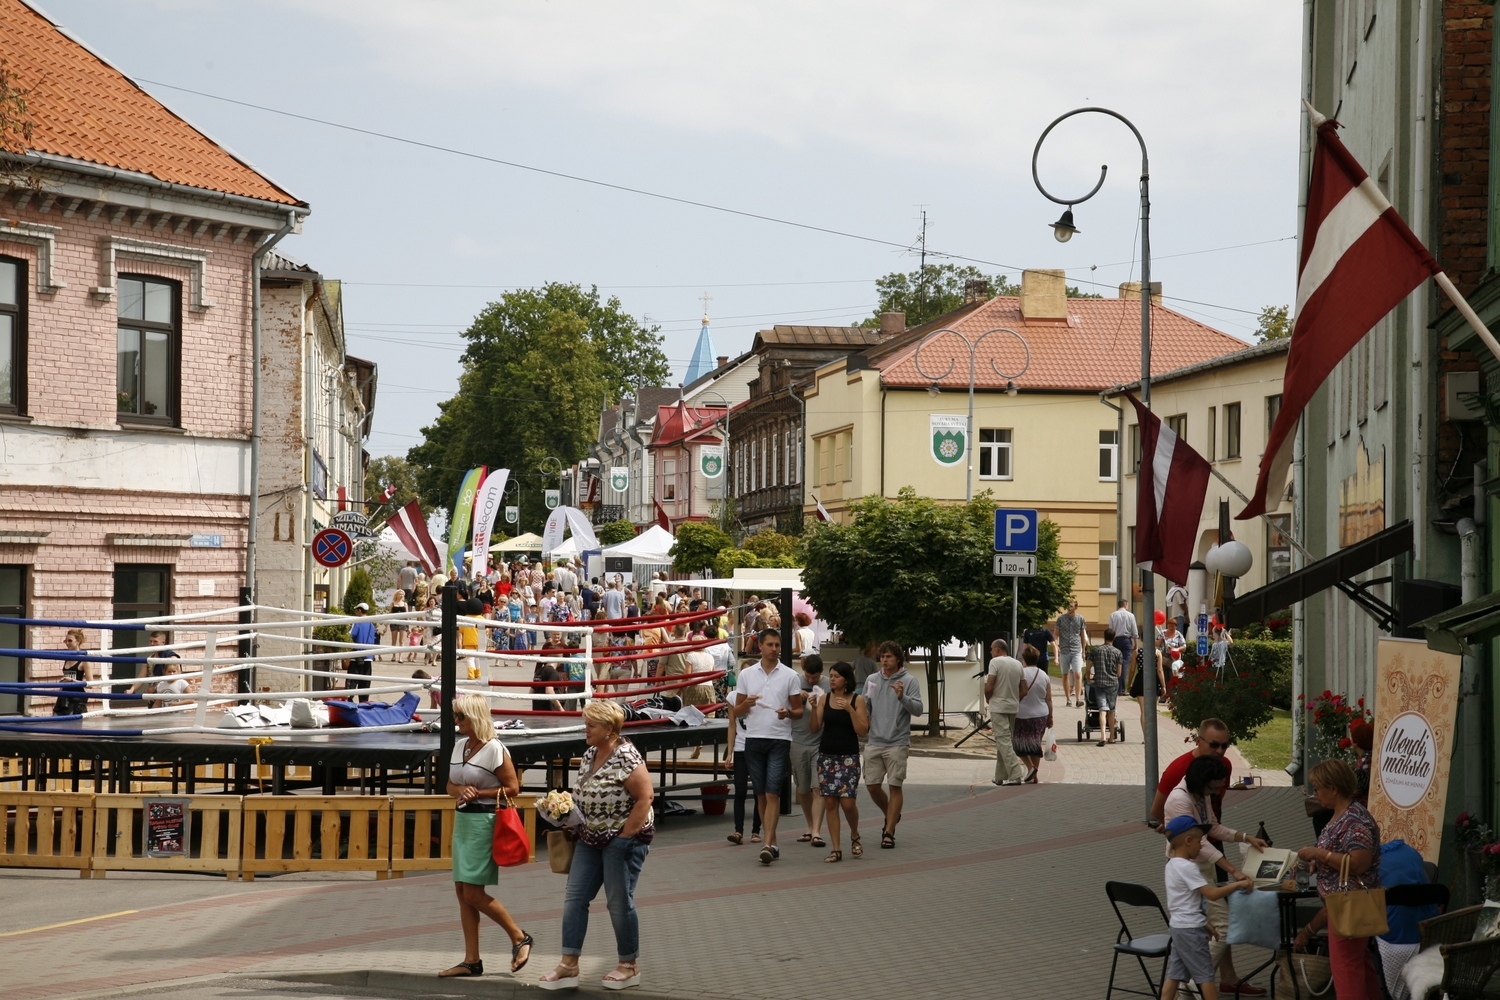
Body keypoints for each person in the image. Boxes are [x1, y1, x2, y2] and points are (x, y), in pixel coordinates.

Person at [538, 700, 654, 991]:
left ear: (609, 729)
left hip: (622, 839)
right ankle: (569, 964)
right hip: (590, 838)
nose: (585, 729)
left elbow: (646, 798)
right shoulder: (590, 753)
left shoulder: (626, 755)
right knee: (575, 899)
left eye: (591, 724)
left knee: (618, 902)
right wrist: (564, 814)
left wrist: (625, 837)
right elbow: (584, 796)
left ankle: (629, 965)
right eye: (585, 723)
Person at [440, 693, 533, 979]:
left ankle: (519, 937)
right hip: (464, 821)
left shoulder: (495, 748)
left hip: (484, 821)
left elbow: (513, 788)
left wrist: (478, 792)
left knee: (473, 893)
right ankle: (472, 960)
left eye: (460, 716)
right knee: (462, 892)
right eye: (455, 716)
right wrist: (461, 791)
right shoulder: (459, 746)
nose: (456, 721)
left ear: (474, 717)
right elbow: (450, 785)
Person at [1162, 755, 1267, 995]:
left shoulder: (1201, 795)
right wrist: (1235, 873)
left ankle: (1196, 982)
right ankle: (1194, 985)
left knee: (1181, 967)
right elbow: (1202, 842)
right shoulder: (1180, 800)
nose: (1216, 791)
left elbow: (1212, 827)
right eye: (1214, 787)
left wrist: (1245, 836)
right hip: (1195, 871)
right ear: (1201, 782)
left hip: (1187, 905)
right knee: (1224, 929)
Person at [1293, 759, 1382, 1000]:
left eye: (1318, 788)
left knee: (1346, 969)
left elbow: (1359, 863)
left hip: (1348, 904)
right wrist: (1315, 863)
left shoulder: (1354, 820)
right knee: (1359, 965)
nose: (1315, 793)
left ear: (1333, 789)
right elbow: (1338, 857)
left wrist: (1319, 854)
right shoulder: (1341, 816)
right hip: (1342, 904)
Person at [1160, 815, 1256, 1000]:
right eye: (1199, 842)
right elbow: (1211, 894)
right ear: (1188, 841)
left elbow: (1183, 903)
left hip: (1178, 928)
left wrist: (1204, 922)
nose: (1201, 846)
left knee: (1174, 975)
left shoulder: (1171, 865)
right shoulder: (1188, 867)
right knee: (1206, 977)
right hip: (1191, 930)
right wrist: (1237, 885)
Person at [730, 629, 803, 864]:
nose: (774, 649)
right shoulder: (747, 675)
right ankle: (771, 842)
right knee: (760, 793)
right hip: (753, 739)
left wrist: (788, 713)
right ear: (759, 646)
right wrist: (746, 704)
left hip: (779, 739)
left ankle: (768, 842)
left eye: (777, 644)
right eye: (770, 644)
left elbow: (799, 711)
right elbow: (736, 711)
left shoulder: (791, 675)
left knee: (773, 792)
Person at [863, 640, 922, 849]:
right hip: (874, 741)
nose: (884, 661)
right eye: (882, 656)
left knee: (895, 786)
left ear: (898, 658)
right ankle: (892, 814)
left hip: (897, 741)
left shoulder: (909, 680)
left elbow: (918, 709)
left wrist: (902, 697)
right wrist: (864, 720)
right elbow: (866, 705)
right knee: (871, 785)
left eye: (889, 657)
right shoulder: (872, 680)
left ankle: (888, 832)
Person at [807, 660, 868, 862]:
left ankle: (854, 834)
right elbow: (815, 728)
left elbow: (862, 730)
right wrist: (815, 708)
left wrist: (850, 710)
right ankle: (836, 848)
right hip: (826, 757)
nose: (832, 679)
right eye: (831, 676)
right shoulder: (825, 698)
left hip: (848, 757)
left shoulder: (857, 700)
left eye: (836, 676)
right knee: (831, 803)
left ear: (846, 679)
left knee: (848, 803)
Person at [1151, 719, 1235, 828]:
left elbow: (1216, 800)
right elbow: (1157, 810)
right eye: (1214, 745)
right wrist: (1174, 829)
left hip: (1214, 834)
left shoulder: (1225, 765)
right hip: (1189, 841)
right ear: (1198, 741)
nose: (1220, 751)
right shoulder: (1177, 770)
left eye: (1224, 745)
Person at [787, 655, 829, 848]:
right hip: (797, 740)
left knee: (817, 787)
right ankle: (810, 826)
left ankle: (817, 832)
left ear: (821, 672)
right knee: (802, 788)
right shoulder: (794, 681)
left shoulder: (828, 685)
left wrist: (820, 702)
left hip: (820, 742)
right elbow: (786, 707)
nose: (811, 680)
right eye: (808, 677)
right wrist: (800, 698)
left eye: (815, 677)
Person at [724, 672, 763, 847]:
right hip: (740, 747)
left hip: (757, 747)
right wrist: (729, 752)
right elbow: (732, 724)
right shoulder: (733, 697)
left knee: (758, 790)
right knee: (739, 790)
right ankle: (738, 830)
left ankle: (756, 830)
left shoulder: (761, 695)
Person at [982, 638, 1026, 785]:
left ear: (998, 649)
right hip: (1013, 706)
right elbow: (1024, 689)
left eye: (991, 648)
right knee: (1005, 741)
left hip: (998, 706)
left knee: (1003, 740)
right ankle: (1000, 775)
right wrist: (1015, 698)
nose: (990, 651)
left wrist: (988, 697)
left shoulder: (995, 662)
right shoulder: (1018, 664)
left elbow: (989, 686)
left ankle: (1015, 774)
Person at [1013, 645, 1052, 782]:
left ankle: (1031, 769)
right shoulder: (1044, 675)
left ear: (1023, 659)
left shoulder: (1020, 674)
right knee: (1035, 744)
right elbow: (1048, 699)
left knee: (1018, 744)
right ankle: (1034, 774)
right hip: (1041, 714)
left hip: (1021, 714)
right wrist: (1050, 717)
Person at [1086, 629, 1123, 746]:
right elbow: (1119, 673)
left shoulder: (1096, 650)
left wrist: (1089, 677)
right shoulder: (1118, 652)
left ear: (1104, 636)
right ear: (1114, 637)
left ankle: (1102, 735)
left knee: (1102, 709)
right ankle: (1111, 737)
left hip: (1099, 683)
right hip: (1112, 684)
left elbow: (1088, 668)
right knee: (1111, 711)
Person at [1054, 600, 1089, 707]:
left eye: (1071, 606)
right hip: (1064, 650)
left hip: (1076, 649)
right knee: (1065, 675)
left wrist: (1083, 650)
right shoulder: (1061, 619)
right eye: (1067, 606)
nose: (1069, 608)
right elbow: (1055, 634)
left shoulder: (1080, 619)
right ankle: (1068, 699)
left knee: (1077, 674)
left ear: (1076, 607)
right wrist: (1056, 646)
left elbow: (1083, 635)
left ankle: (1078, 699)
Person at [53, 629, 90, 717]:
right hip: (63, 697)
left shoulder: (84, 660)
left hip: (76, 699)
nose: (67, 643)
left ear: (78, 641)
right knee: (57, 723)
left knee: (75, 727)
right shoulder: (67, 657)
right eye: (66, 640)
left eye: (70, 640)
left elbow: (91, 684)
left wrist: (72, 680)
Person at [348, 603, 377, 703]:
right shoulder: (371, 625)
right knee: (365, 683)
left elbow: (351, 635)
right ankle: (363, 704)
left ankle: (348, 702)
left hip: (356, 655)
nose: (356, 612)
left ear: (360, 610)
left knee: (351, 681)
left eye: (357, 610)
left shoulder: (357, 622)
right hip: (368, 656)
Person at [1108, 598, 1139, 667]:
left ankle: (1116, 676)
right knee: (1125, 661)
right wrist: (1136, 644)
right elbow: (1134, 631)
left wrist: (1110, 642)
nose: (1128, 606)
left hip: (1116, 640)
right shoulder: (1131, 615)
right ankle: (1122, 677)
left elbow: (1110, 630)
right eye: (1128, 605)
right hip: (1126, 640)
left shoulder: (1113, 615)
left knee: (1116, 661)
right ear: (1125, 605)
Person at [388, 592, 409, 662]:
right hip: (394, 622)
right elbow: (389, 614)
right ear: (396, 595)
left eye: (403, 594)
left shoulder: (405, 604)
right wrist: (386, 624)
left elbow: (407, 615)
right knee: (394, 640)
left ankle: (400, 657)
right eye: (400, 594)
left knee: (401, 641)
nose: (401, 595)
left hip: (403, 622)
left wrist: (408, 626)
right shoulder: (392, 604)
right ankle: (394, 656)